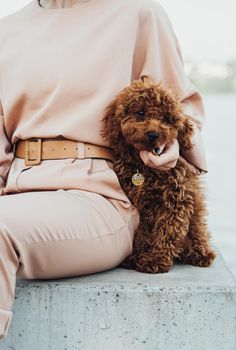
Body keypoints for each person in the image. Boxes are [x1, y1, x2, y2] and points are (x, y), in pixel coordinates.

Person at [0, 0, 208, 339]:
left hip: (100, 195)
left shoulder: (138, 13)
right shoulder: (6, 29)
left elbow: (179, 110)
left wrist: (168, 147)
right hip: (16, 191)